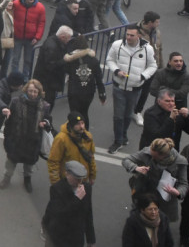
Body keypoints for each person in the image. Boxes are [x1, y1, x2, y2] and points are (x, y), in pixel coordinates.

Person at [105, 24, 157, 153]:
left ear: (138, 35)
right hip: (119, 87)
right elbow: (110, 60)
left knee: (128, 115)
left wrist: (143, 76)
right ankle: (118, 141)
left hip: (135, 89)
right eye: (127, 34)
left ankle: (123, 135)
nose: (128, 37)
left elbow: (153, 66)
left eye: (132, 35)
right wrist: (117, 71)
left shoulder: (147, 49)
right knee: (118, 115)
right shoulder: (117, 45)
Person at [0, 79, 51, 193]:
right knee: (11, 162)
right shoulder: (16, 102)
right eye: (30, 91)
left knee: (29, 164)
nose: (32, 94)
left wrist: (45, 123)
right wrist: (7, 138)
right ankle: (7, 178)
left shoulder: (44, 106)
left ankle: (27, 180)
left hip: (32, 142)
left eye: (35, 92)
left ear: (39, 92)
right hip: (17, 140)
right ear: (26, 90)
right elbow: (9, 122)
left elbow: (48, 120)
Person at [122, 137, 188, 222]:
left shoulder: (179, 162)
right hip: (145, 190)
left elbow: (184, 184)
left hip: (164, 197)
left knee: (160, 221)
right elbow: (126, 160)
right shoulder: (148, 151)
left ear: (163, 156)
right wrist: (136, 168)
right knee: (139, 216)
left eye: (154, 156)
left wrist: (178, 192)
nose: (151, 157)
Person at [41, 160, 95, 247]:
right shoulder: (57, 189)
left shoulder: (86, 188)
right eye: (76, 178)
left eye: (81, 178)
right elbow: (59, 214)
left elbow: (88, 214)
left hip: (76, 239)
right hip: (58, 237)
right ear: (67, 174)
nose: (79, 182)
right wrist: (77, 199)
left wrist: (91, 240)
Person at [63, 36, 106, 128]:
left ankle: (74, 132)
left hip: (74, 91)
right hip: (88, 92)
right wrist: (102, 94)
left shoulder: (71, 60)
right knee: (84, 112)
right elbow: (99, 77)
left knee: (74, 114)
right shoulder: (93, 60)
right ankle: (85, 132)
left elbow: (66, 70)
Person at [47, 112, 97, 187]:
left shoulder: (88, 136)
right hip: (68, 182)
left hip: (82, 180)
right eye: (78, 124)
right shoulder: (61, 139)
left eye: (82, 123)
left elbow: (91, 157)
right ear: (71, 126)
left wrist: (92, 175)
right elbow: (53, 162)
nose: (82, 127)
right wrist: (56, 183)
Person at [33, 25, 73, 111]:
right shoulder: (52, 47)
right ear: (62, 37)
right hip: (47, 82)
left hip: (48, 81)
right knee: (46, 104)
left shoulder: (54, 42)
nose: (69, 40)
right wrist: (64, 60)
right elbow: (50, 66)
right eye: (68, 38)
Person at [11, 0, 45, 79]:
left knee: (28, 60)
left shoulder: (40, 8)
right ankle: (14, 78)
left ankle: (26, 79)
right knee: (15, 60)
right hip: (17, 37)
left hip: (31, 38)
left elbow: (41, 23)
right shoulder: (16, 4)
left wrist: (37, 37)